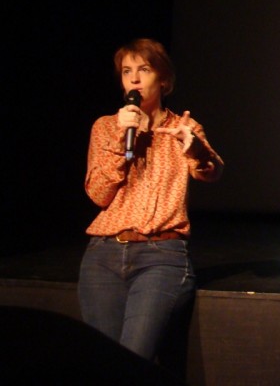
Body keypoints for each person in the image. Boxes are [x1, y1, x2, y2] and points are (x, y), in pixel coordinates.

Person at [78, 38, 224, 370]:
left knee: (131, 361)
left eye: (144, 70)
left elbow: (212, 172)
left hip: (161, 257)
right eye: (126, 71)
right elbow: (98, 194)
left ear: (164, 81)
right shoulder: (105, 127)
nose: (133, 79)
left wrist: (196, 149)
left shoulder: (182, 128)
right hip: (102, 256)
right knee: (99, 363)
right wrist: (121, 138)